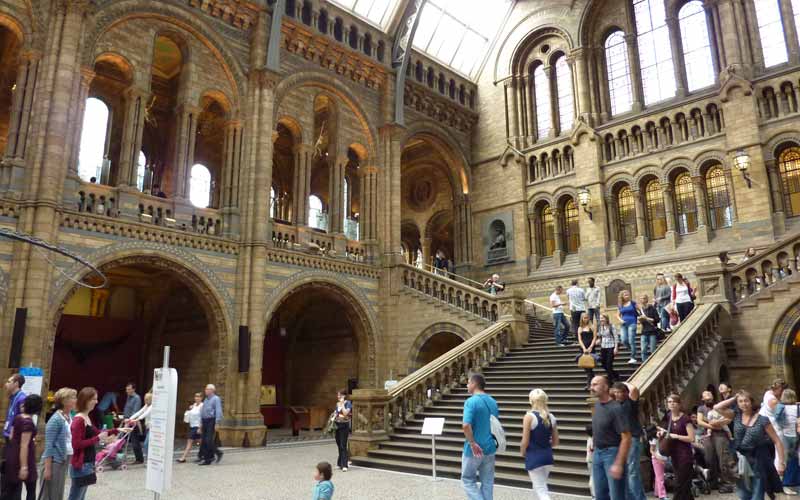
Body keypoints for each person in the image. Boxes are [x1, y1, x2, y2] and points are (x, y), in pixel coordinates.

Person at [715, 390, 785, 500]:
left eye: (746, 401)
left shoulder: (763, 420)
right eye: (741, 401)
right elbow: (717, 407)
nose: (744, 403)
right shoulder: (736, 415)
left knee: (757, 495)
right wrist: (734, 398)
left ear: (751, 402)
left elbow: (777, 441)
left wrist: (781, 462)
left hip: (759, 460)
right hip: (740, 461)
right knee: (744, 495)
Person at [590, 375, 631, 500]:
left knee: (616, 495)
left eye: (595, 384)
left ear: (606, 386)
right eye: (591, 384)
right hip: (597, 453)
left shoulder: (616, 408)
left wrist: (618, 463)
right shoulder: (596, 405)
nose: (591, 388)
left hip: (612, 454)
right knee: (600, 494)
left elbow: (626, 437)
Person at [69, 387, 114, 500]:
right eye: (94, 399)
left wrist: (119, 429)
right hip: (81, 464)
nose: (97, 402)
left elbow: (98, 433)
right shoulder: (79, 420)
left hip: (87, 463)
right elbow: (76, 444)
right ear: (86, 400)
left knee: (80, 496)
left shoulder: (86, 417)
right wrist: (97, 438)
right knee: (76, 497)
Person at [461, 373, 499, 500]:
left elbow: (466, 425)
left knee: (468, 480)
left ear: (474, 384)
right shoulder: (493, 402)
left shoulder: (471, 402)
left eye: (468, 382)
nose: (467, 385)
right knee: (487, 482)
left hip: (474, 449)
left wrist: (472, 443)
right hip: (490, 447)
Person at [2, 394, 42, 500]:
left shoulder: (18, 417)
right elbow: (24, 446)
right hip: (25, 458)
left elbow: (11, 436)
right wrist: (24, 467)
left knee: (9, 490)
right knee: (31, 488)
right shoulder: (28, 422)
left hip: (12, 455)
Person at [520, 389, 558, 500]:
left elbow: (525, 440)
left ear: (531, 401)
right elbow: (556, 442)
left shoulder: (529, 416)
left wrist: (523, 452)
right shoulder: (551, 417)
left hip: (534, 456)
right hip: (547, 457)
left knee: (541, 489)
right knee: (539, 486)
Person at [611, 382, 646, 500]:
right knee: (628, 472)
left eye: (619, 392)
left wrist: (622, 382)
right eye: (615, 392)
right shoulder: (614, 405)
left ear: (625, 393)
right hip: (622, 440)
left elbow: (634, 389)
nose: (617, 394)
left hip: (633, 439)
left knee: (632, 472)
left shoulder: (630, 403)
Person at [657, 393, 696, 500]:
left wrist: (677, 436)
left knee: (680, 484)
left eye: (674, 402)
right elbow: (667, 431)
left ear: (679, 404)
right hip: (674, 455)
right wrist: (662, 433)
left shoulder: (685, 419)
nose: (672, 404)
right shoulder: (669, 416)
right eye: (669, 402)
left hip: (685, 455)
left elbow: (691, 438)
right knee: (684, 486)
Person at [41, 388, 77, 500]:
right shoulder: (55, 419)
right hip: (55, 461)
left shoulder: (69, 416)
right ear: (64, 401)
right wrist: (47, 468)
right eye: (73, 397)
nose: (76, 400)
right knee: (51, 493)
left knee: (58, 492)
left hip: (63, 459)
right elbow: (49, 445)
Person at [696, 391, 735, 493]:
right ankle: (713, 482)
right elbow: (699, 421)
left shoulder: (719, 405)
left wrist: (719, 425)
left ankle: (727, 483)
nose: (709, 396)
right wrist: (712, 426)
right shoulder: (701, 408)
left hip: (721, 434)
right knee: (710, 459)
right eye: (706, 395)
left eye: (710, 394)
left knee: (723, 459)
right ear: (702, 399)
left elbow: (728, 418)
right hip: (707, 436)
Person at [780, 389, 800, 495]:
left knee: (788, 459)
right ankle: (793, 481)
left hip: (785, 435)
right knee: (796, 459)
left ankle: (787, 482)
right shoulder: (798, 407)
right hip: (796, 435)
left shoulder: (781, 408)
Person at [199, 384, 223, 466]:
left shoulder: (216, 399)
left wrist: (217, 423)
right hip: (205, 421)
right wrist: (201, 423)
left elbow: (218, 411)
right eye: (205, 389)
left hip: (211, 421)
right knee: (204, 441)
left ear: (212, 390)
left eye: (207, 389)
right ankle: (208, 459)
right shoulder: (206, 399)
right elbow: (203, 412)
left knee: (208, 440)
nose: (205, 390)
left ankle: (218, 452)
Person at [178, 393, 203, 463]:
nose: (197, 398)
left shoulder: (202, 406)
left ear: (201, 398)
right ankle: (207, 454)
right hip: (192, 426)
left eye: (198, 397)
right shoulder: (194, 405)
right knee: (199, 443)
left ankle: (183, 457)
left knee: (192, 442)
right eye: (196, 396)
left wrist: (200, 428)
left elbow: (202, 418)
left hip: (197, 427)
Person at [123, 383, 144, 464]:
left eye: (128, 389)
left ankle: (139, 459)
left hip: (132, 422)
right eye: (126, 389)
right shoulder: (129, 397)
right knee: (122, 440)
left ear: (133, 389)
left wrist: (129, 421)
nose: (127, 391)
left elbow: (135, 411)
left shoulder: (136, 398)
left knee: (135, 442)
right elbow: (127, 407)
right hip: (126, 420)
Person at [616, 290, 638, 364]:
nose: (627, 295)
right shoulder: (620, 305)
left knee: (631, 340)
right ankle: (633, 350)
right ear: (622, 296)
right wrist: (620, 320)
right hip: (623, 324)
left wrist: (640, 318)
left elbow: (640, 310)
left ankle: (633, 357)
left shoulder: (633, 303)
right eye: (625, 294)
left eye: (628, 294)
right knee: (624, 340)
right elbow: (617, 315)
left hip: (632, 322)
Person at [127, 393, 152, 459]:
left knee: (146, 444)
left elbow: (145, 414)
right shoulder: (146, 405)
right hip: (148, 428)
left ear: (151, 399)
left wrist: (137, 419)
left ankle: (149, 459)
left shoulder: (152, 406)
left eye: (147, 399)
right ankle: (149, 459)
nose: (145, 401)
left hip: (152, 428)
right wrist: (130, 419)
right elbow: (139, 412)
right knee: (148, 444)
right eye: (145, 399)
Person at [577, 313, 597, 391]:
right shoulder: (580, 328)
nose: (586, 319)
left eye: (587, 318)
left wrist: (591, 347)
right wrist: (584, 348)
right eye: (584, 318)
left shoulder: (592, 327)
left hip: (591, 347)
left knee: (589, 366)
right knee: (586, 367)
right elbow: (580, 339)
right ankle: (592, 382)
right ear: (582, 319)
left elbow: (595, 337)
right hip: (583, 348)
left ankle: (589, 384)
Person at [637, 294, 660, 362]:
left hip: (652, 331)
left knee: (653, 349)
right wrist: (640, 320)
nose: (642, 300)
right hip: (644, 331)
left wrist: (646, 318)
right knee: (643, 350)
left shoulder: (652, 308)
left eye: (644, 298)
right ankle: (645, 363)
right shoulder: (640, 310)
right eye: (641, 299)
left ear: (647, 299)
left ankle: (653, 362)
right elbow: (640, 322)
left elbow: (657, 319)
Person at [4, 373, 27, 440]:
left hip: (14, 437)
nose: (6, 384)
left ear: (16, 383)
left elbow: (24, 419)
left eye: (9, 382)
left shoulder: (22, 398)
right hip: (8, 434)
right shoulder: (12, 397)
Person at [597, 314, 620, 382]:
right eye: (600, 318)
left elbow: (616, 337)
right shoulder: (600, 327)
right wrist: (598, 340)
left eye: (603, 318)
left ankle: (610, 380)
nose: (601, 320)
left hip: (611, 346)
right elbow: (600, 336)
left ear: (606, 318)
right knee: (603, 364)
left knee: (609, 364)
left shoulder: (611, 326)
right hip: (603, 347)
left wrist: (616, 348)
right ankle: (615, 374)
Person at [333, 389, 352, 472]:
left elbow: (345, 413)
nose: (338, 397)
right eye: (338, 395)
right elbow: (337, 413)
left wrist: (343, 404)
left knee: (343, 445)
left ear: (343, 396)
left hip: (344, 425)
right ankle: (339, 463)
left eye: (339, 395)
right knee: (338, 443)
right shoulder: (337, 404)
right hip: (337, 424)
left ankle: (345, 465)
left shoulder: (348, 403)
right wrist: (334, 415)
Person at [650, 430, 669, 500]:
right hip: (657, 460)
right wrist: (658, 459)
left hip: (659, 459)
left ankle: (657, 492)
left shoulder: (657, 438)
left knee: (658, 477)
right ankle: (662, 495)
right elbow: (652, 450)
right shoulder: (654, 440)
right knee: (660, 478)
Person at [585, 424, 595, 498]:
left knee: (592, 476)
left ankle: (593, 494)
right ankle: (594, 494)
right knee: (593, 477)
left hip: (589, 460)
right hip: (593, 460)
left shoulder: (589, 439)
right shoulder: (593, 440)